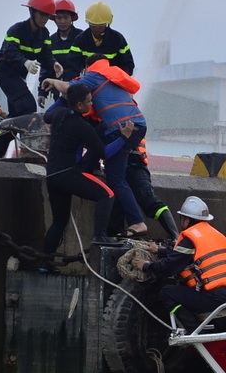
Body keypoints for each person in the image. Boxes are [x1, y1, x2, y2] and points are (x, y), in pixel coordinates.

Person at [42, 54, 148, 238]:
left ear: (88, 67)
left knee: (115, 179)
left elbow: (67, 89)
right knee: (99, 138)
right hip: (133, 123)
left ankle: (137, 222)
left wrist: (53, 81)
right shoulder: (110, 74)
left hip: (122, 128)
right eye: (89, 101)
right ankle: (87, 170)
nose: (91, 103)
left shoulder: (94, 74)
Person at [40, 83, 133, 271]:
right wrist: (124, 137)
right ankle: (99, 236)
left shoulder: (59, 114)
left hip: (52, 176)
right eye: (89, 102)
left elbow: (46, 115)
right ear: (80, 105)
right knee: (107, 194)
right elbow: (104, 152)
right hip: (68, 174)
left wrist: (62, 99)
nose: (92, 104)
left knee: (59, 222)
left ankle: (44, 263)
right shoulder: (82, 126)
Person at [133, 196, 226, 333]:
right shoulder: (216, 235)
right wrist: (159, 250)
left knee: (167, 293)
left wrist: (146, 266)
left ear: (186, 220)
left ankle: (195, 331)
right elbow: (184, 254)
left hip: (214, 299)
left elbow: (169, 266)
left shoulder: (190, 237)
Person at [0, 0, 62, 118]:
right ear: (32, 12)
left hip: (19, 75)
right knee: (28, 106)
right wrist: (26, 62)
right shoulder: (16, 30)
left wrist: (54, 64)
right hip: (5, 72)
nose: (45, 18)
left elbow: (45, 56)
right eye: (42, 14)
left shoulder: (44, 33)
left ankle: (5, 130)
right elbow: (9, 52)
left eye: (47, 15)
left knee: (17, 112)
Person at [108, 138, 180, 244]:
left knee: (150, 201)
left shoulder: (130, 127)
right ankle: (114, 240)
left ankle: (176, 237)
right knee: (116, 208)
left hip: (135, 167)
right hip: (116, 170)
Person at [66, 1, 135, 76]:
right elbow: (72, 66)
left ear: (107, 23)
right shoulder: (81, 39)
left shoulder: (117, 39)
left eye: (100, 26)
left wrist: (115, 77)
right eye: (93, 26)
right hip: (88, 80)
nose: (97, 29)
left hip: (112, 80)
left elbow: (128, 65)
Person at [39, 0, 84, 106]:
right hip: (58, 92)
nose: (62, 21)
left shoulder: (82, 38)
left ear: (72, 18)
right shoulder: (50, 41)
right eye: (59, 18)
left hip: (79, 91)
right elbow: (46, 68)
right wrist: (42, 93)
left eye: (66, 17)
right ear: (54, 19)